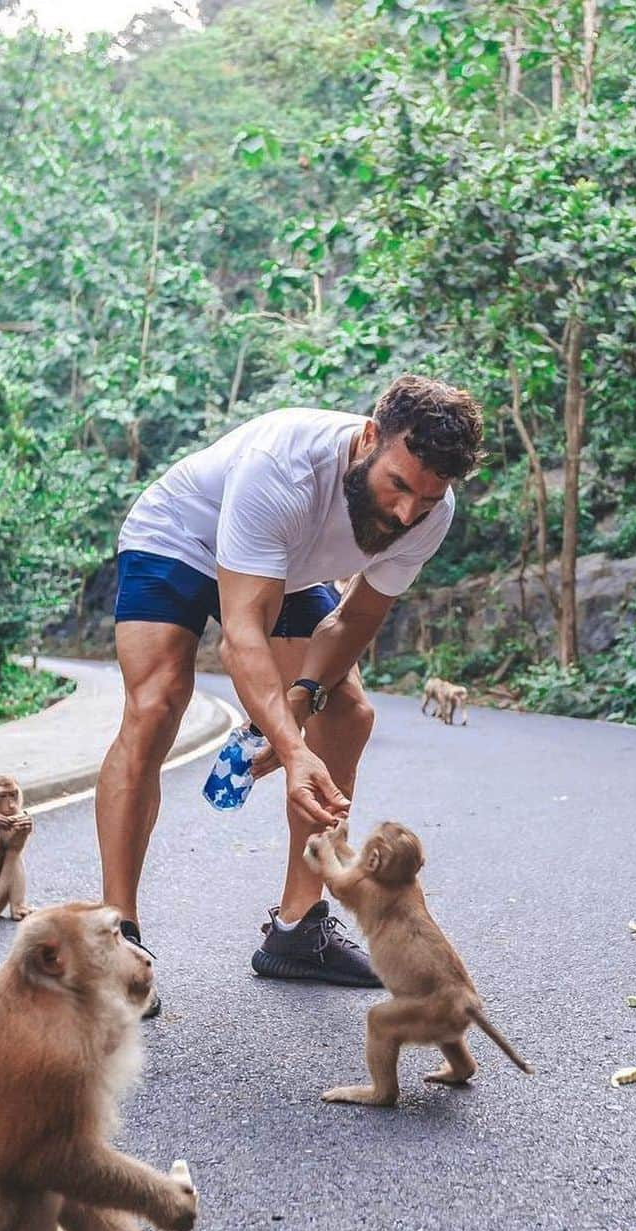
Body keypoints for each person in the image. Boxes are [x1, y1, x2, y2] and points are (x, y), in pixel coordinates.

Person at [96, 373, 484, 1015]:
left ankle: (297, 929)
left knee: (349, 712)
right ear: (369, 439)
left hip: (285, 563)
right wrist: (288, 746)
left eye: (428, 495)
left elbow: (355, 620)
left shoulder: (429, 513)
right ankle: (119, 936)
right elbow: (241, 633)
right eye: (399, 485)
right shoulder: (283, 465)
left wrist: (301, 700)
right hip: (179, 537)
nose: (407, 511)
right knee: (158, 701)